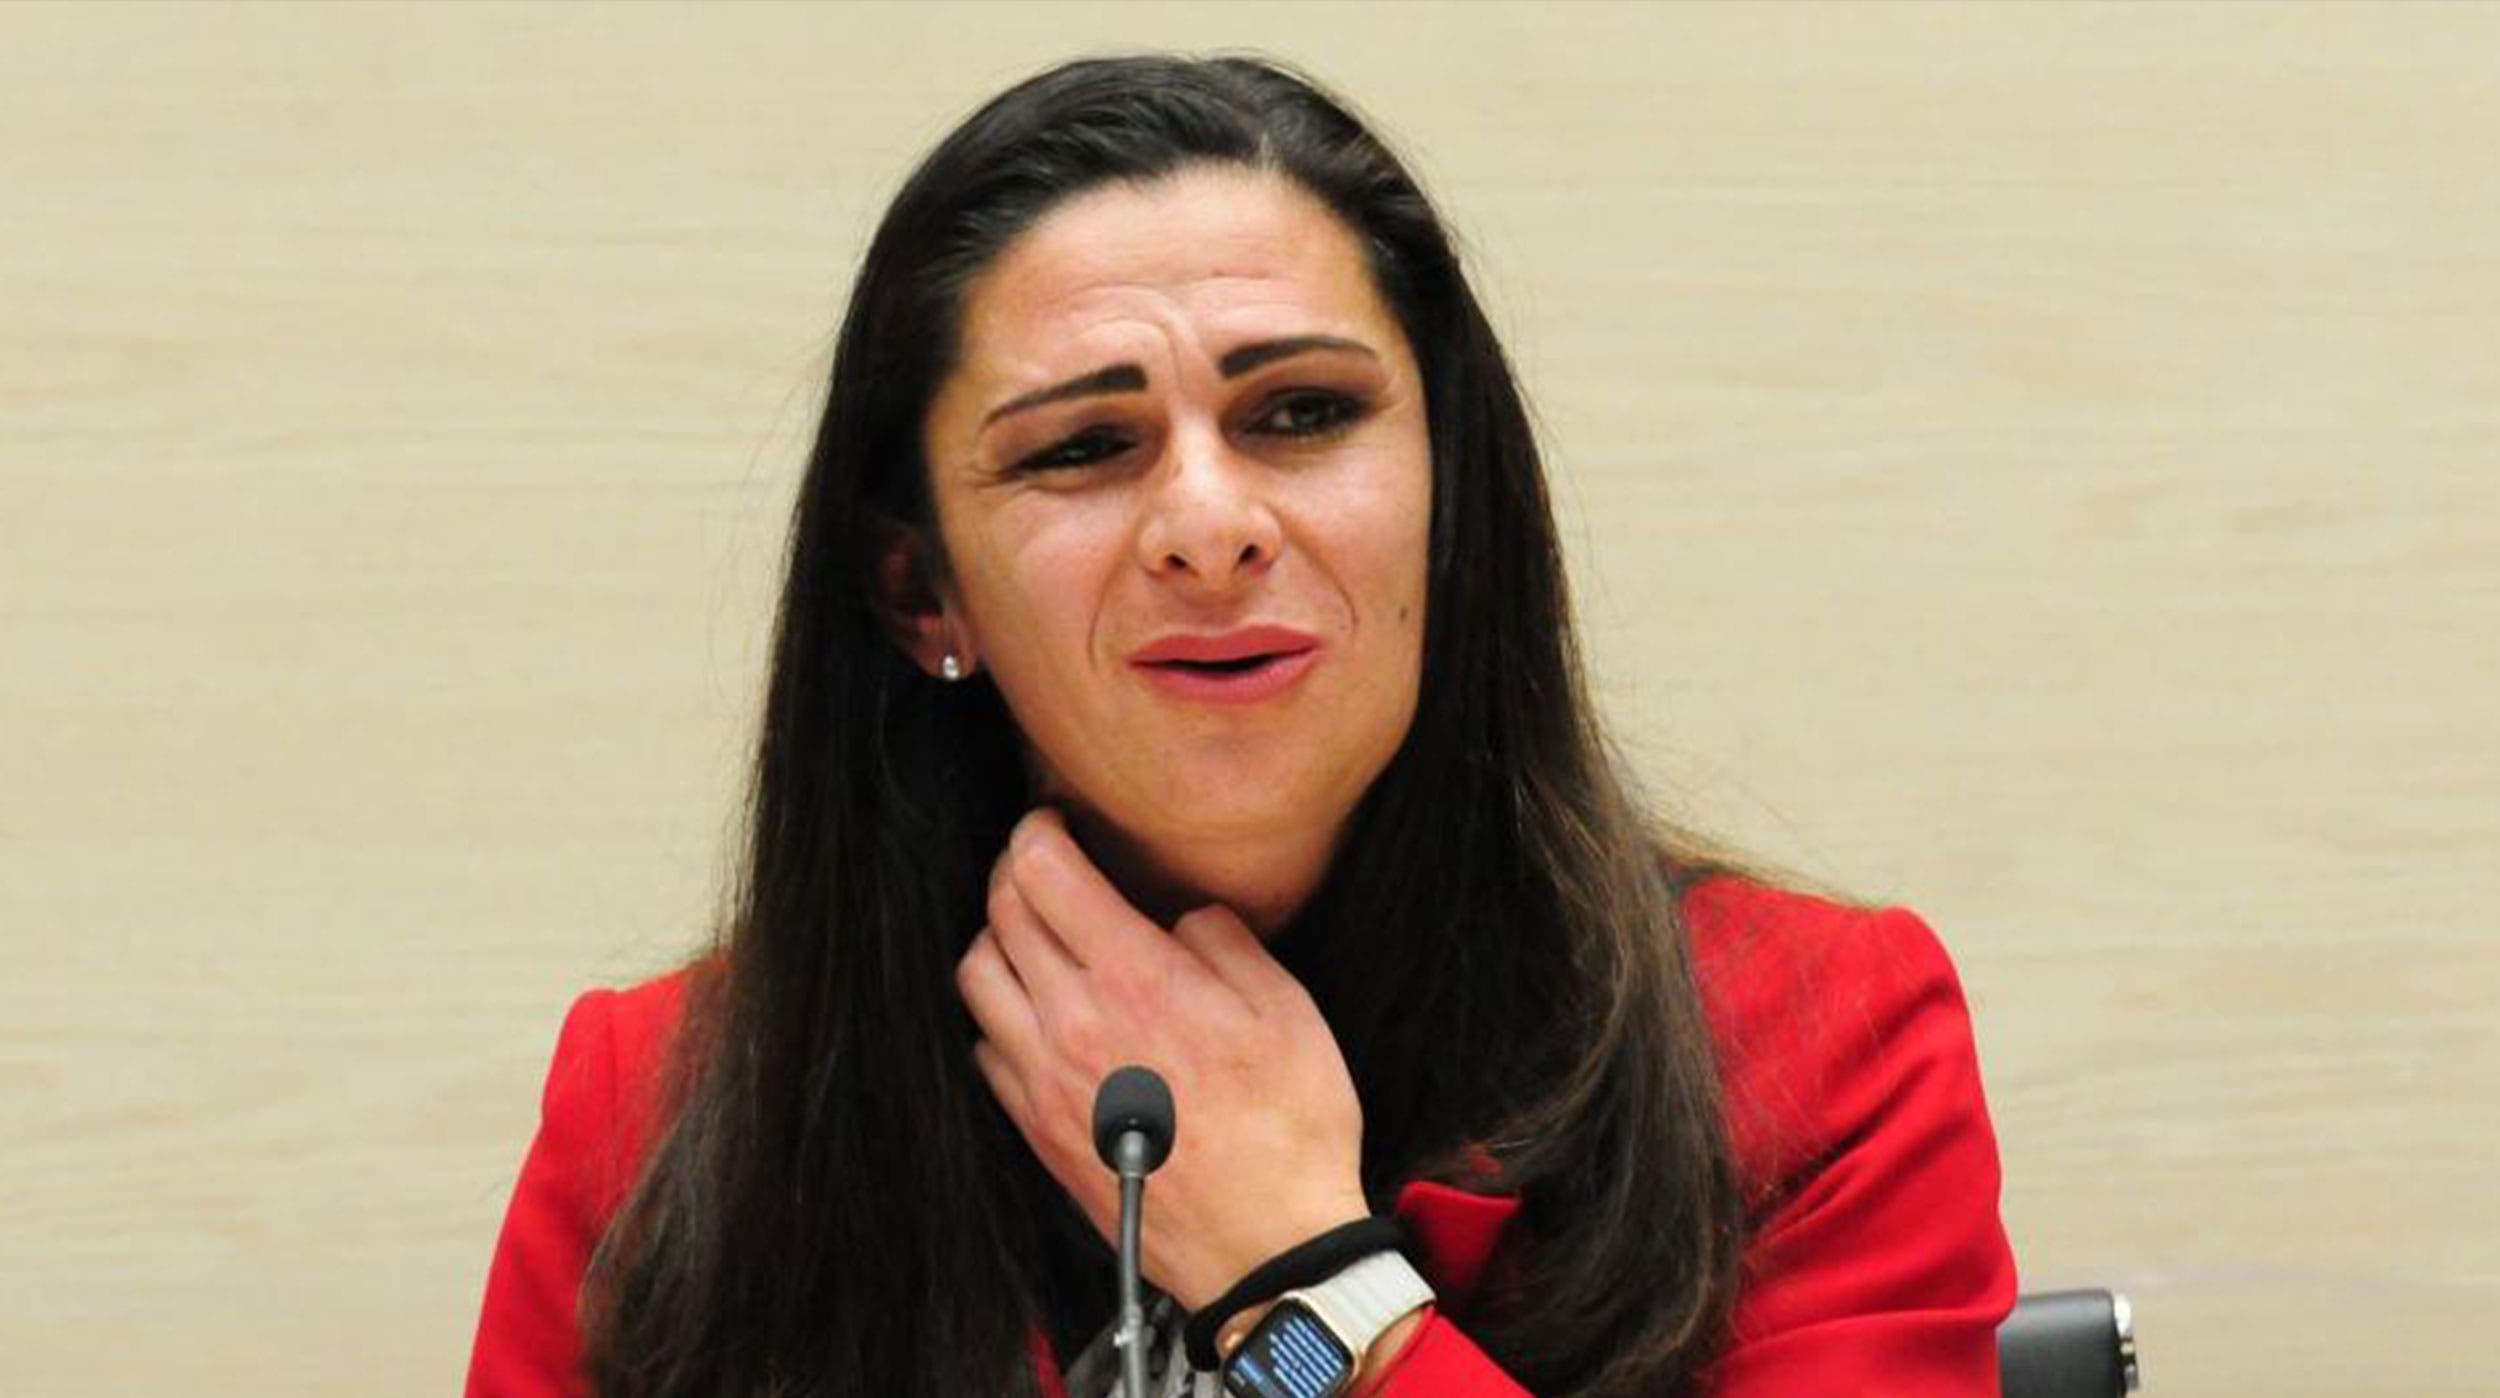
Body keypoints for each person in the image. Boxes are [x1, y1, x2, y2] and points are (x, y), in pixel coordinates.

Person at [465, 54, 2016, 1398]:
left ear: (1450, 501)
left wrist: (1304, 1277)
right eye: (1085, 445)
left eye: (1302, 413)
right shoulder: (661, 1107)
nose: (1210, 526)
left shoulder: (1813, 1049)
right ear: (923, 591)